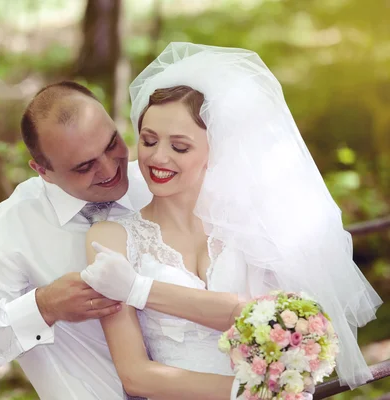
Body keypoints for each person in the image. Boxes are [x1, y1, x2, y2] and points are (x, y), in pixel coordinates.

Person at [81, 42, 383, 399]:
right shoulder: (111, 237)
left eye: (180, 147)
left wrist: (139, 289)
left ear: (217, 150)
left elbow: (279, 325)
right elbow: (135, 376)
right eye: (148, 141)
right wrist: (259, 392)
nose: (157, 157)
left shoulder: (253, 229)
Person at [0, 80, 243, 400]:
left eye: (112, 145)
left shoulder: (161, 177)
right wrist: (43, 306)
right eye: (84, 166)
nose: (110, 170)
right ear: (43, 170)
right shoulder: (3, 234)